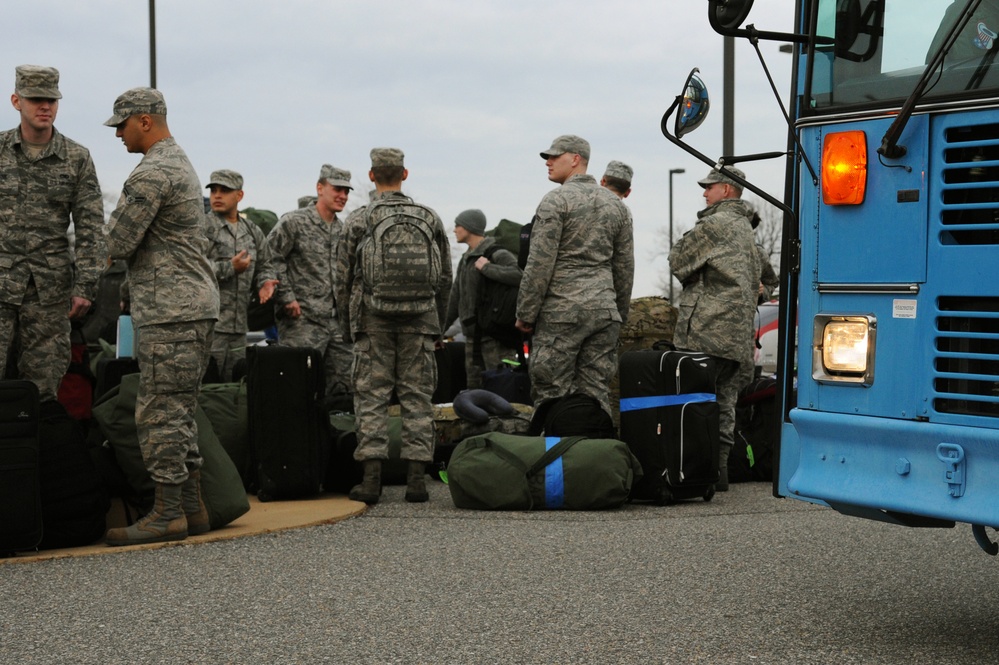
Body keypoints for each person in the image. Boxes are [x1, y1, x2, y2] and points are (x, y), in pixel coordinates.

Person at [101, 87, 220, 545]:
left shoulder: (153, 172)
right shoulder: (180, 162)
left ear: (145, 121)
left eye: (122, 125)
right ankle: (192, 508)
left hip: (171, 309)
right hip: (189, 306)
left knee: (159, 410)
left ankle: (167, 512)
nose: (118, 135)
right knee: (180, 408)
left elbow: (116, 243)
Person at [335, 147, 452, 504]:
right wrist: (438, 326)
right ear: (405, 174)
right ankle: (417, 481)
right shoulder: (429, 218)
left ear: (372, 176)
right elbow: (445, 277)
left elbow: (342, 278)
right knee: (417, 398)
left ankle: (371, 481)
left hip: (372, 321)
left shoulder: (359, 219)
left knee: (371, 398)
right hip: (420, 322)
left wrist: (347, 325)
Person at [0, 65, 105, 401]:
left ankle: (33, 455)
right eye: (35, 99)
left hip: (49, 297)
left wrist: (85, 286)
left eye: (51, 100)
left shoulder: (76, 158)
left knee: (40, 395)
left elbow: (91, 229)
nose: (44, 106)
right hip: (0, 287)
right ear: (17, 101)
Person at [516, 135, 634, 417]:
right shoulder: (618, 207)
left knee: (551, 392)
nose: (548, 161)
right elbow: (624, 267)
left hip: (561, 312)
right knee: (596, 393)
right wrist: (618, 313)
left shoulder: (555, 201)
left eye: (555, 156)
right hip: (603, 314)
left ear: (576, 159)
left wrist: (526, 313)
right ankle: (594, 455)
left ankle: (555, 458)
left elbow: (540, 264)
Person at [669, 166, 761, 492]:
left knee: (695, 402)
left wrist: (698, 274)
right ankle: (718, 472)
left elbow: (678, 261)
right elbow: (767, 279)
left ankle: (694, 475)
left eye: (709, 187)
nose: (704, 193)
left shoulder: (715, 224)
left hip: (708, 330)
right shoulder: (748, 231)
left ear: (725, 189)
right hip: (738, 336)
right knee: (725, 402)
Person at [268, 165, 353, 397]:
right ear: (320, 188)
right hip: (301, 322)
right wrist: (286, 297)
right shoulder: (293, 222)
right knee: (296, 387)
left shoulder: (344, 231)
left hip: (337, 325)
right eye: (337, 189)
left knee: (342, 391)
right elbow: (270, 258)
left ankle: (336, 432)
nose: (343, 196)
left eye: (346, 191)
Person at [205, 169, 279, 381]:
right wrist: (230, 268)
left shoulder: (252, 230)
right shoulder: (202, 227)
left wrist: (265, 282)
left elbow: (266, 263)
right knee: (208, 384)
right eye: (214, 191)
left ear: (239, 196)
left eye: (224, 191)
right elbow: (192, 268)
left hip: (238, 327)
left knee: (234, 385)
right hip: (210, 325)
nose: (217, 196)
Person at [445, 209, 522, 388]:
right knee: (474, 394)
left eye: (458, 225)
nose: (455, 230)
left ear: (470, 228)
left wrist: (488, 268)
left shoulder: (495, 252)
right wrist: (439, 332)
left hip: (495, 339)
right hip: (472, 340)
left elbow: (520, 275)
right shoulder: (466, 259)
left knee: (502, 391)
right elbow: (455, 299)